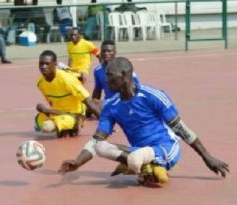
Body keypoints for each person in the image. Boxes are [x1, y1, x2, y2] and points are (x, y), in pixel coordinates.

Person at [58, 57, 229, 186]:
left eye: (110, 76)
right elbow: (97, 139)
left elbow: (181, 128)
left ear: (124, 75)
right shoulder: (111, 105)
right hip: (137, 151)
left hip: (165, 147)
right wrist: (78, 162)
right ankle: (147, 168)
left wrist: (208, 158)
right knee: (101, 147)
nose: (106, 80)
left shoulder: (152, 95)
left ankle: (143, 166)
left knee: (134, 159)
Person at [35, 50, 100, 138]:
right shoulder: (41, 83)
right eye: (41, 64)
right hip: (57, 113)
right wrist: (47, 111)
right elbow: (51, 103)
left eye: (47, 64)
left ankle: (75, 123)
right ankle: (65, 128)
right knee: (37, 122)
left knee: (47, 127)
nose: (43, 67)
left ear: (55, 64)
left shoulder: (67, 80)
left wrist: (105, 124)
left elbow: (88, 101)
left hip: (73, 114)